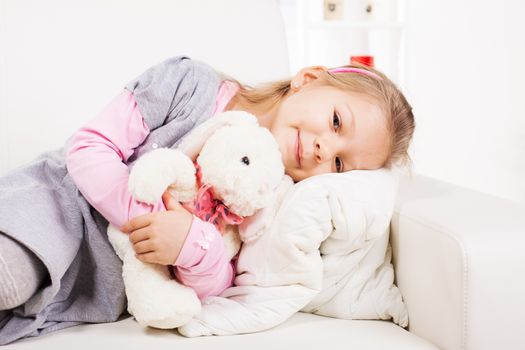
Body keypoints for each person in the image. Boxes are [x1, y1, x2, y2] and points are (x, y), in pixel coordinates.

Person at [0, 55, 414, 344]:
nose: (326, 149)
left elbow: (219, 284)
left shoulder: (267, 199)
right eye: (336, 121)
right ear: (309, 78)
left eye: (341, 164)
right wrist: (150, 218)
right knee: (10, 278)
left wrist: (194, 249)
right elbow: (89, 147)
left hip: (90, 287)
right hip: (56, 209)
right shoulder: (190, 84)